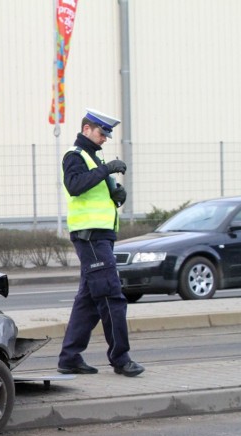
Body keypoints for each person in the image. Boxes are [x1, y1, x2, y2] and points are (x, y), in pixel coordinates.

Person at [56, 109, 145, 377]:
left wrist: (115, 195)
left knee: (89, 299)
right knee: (110, 295)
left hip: (100, 235)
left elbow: (93, 193)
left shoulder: (94, 157)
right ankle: (120, 358)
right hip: (91, 236)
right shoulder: (75, 156)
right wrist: (107, 170)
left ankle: (69, 357)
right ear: (86, 130)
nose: (105, 138)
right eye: (101, 132)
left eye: (107, 134)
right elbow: (75, 185)